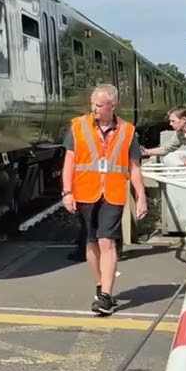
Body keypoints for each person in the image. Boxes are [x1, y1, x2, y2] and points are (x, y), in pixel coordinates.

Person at [61, 84, 148, 316]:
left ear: (113, 106)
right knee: (91, 243)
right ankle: (100, 286)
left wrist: (141, 197)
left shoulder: (128, 131)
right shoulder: (77, 126)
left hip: (113, 193)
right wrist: (67, 192)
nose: (95, 109)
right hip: (85, 193)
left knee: (106, 242)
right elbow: (69, 162)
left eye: (99, 105)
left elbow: (134, 167)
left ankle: (107, 296)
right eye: (93, 104)